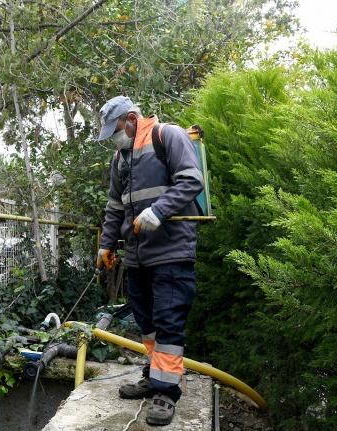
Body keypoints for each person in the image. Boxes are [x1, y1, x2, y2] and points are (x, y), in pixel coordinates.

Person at [96, 95, 204, 426]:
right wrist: (105, 245)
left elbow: (191, 180)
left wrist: (158, 210)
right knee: (148, 323)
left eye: (114, 130)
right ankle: (154, 374)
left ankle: (166, 393)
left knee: (169, 322)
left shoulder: (167, 136)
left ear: (131, 119)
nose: (113, 138)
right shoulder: (120, 158)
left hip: (171, 250)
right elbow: (116, 207)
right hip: (138, 256)